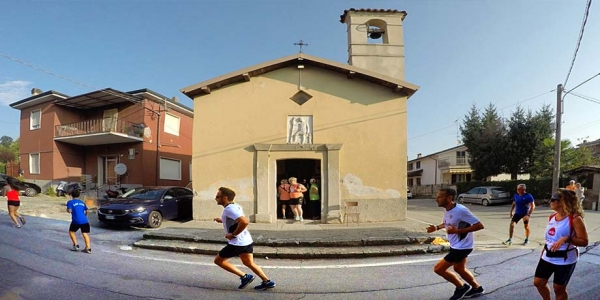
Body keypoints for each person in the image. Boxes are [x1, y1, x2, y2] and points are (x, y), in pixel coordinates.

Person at [213, 187, 276, 291]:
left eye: (217, 197)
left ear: (225, 198)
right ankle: (267, 281)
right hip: (246, 241)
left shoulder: (229, 209)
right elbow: (236, 220)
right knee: (249, 263)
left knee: (218, 261)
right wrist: (223, 220)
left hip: (237, 243)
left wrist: (233, 234)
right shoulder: (235, 206)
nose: (216, 198)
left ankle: (244, 276)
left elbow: (244, 222)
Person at [427, 188, 485, 300]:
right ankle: (477, 288)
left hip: (462, 247)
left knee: (438, 269)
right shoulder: (448, 209)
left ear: (449, 198)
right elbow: (447, 223)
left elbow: (479, 226)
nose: (436, 199)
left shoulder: (461, 210)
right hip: (456, 245)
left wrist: (457, 231)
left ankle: (461, 287)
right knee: (459, 269)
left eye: (439, 197)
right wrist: (437, 227)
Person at [533, 189, 588, 300]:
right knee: (538, 282)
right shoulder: (552, 217)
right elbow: (550, 239)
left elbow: (584, 241)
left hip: (565, 258)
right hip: (548, 255)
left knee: (558, 288)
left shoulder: (575, 219)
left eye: (553, 199)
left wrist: (567, 239)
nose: (550, 201)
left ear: (562, 202)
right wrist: (543, 252)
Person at [66, 189, 91, 253]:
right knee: (85, 233)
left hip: (76, 220)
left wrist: (68, 210)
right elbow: (86, 211)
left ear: (71, 195)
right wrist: (84, 215)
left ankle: (76, 246)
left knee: (71, 231)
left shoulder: (70, 202)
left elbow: (69, 211)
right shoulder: (82, 202)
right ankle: (88, 248)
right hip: (84, 220)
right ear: (79, 195)